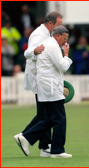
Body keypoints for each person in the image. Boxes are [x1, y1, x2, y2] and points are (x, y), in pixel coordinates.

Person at [18, 25, 73, 158]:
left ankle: (26, 137)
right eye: (64, 39)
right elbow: (63, 66)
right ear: (58, 35)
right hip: (51, 86)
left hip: (46, 86)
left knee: (50, 119)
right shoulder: (53, 46)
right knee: (59, 119)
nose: (65, 42)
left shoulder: (47, 44)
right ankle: (57, 150)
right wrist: (66, 55)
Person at [14, 12, 63, 157]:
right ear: (50, 24)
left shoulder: (47, 34)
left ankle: (42, 144)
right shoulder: (38, 34)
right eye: (58, 25)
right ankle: (28, 138)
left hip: (43, 78)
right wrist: (34, 50)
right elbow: (27, 52)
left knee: (45, 112)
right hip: (39, 78)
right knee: (46, 113)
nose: (61, 28)